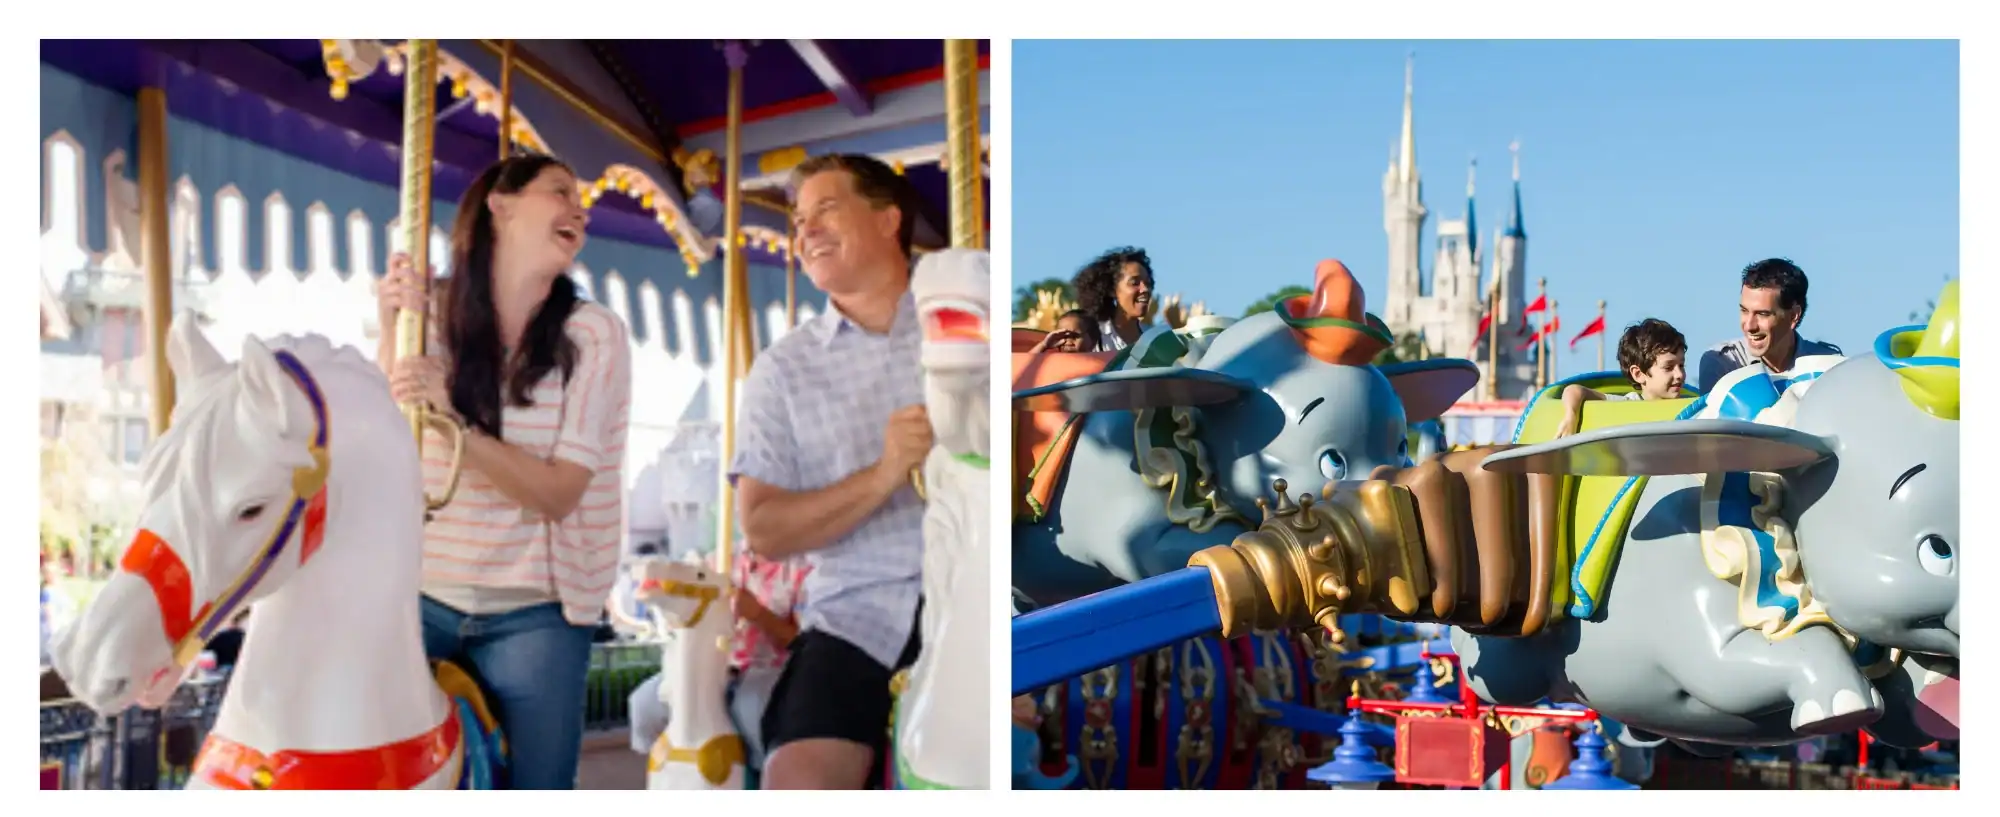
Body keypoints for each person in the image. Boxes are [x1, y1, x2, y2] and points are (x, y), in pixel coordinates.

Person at [377, 153, 633, 790]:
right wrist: (390, 329)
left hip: (536, 607)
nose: (579, 207)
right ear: (500, 203)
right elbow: (391, 436)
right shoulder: (429, 316)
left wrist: (458, 420)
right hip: (424, 592)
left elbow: (559, 493)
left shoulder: (591, 334)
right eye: (559, 192)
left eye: (581, 199)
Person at [732, 152, 929, 789]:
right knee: (797, 779)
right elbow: (763, 528)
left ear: (888, 220)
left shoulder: (964, 327)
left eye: (827, 210)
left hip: (979, 596)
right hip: (857, 611)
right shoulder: (783, 370)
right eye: (798, 220)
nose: (806, 230)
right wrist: (884, 474)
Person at [727, 545, 812, 782]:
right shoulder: (723, 560)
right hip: (720, 664)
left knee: (751, 711)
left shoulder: (802, 569)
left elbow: (801, 641)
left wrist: (757, 614)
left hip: (772, 666)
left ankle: (760, 778)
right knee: (646, 705)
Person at [1694, 258, 1842, 394]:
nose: (1749, 326)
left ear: (1793, 316)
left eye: (1763, 314)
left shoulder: (1828, 365)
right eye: (1744, 311)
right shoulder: (1723, 363)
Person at [1555, 318, 1687, 438]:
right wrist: (1571, 416)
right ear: (1639, 374)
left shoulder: (1689, 406)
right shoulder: (1628, 403)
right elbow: (1574, 391)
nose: (1679, 374)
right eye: (1668, 368)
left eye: (1681, 365)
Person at [1071, 247, 1155, 351]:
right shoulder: (1093, 337)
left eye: (1148, 283)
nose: (1145, 289)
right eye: (1134, 283)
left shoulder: (1156, 338)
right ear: (1112, 289)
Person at [1027, 309, 1102, 354]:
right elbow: (1025, 365)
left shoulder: (1101, 364)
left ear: (1093, 340)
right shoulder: (1053, 361)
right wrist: (1044, 345)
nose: (1068, 342)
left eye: (1074, 336)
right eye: (1063, 336)